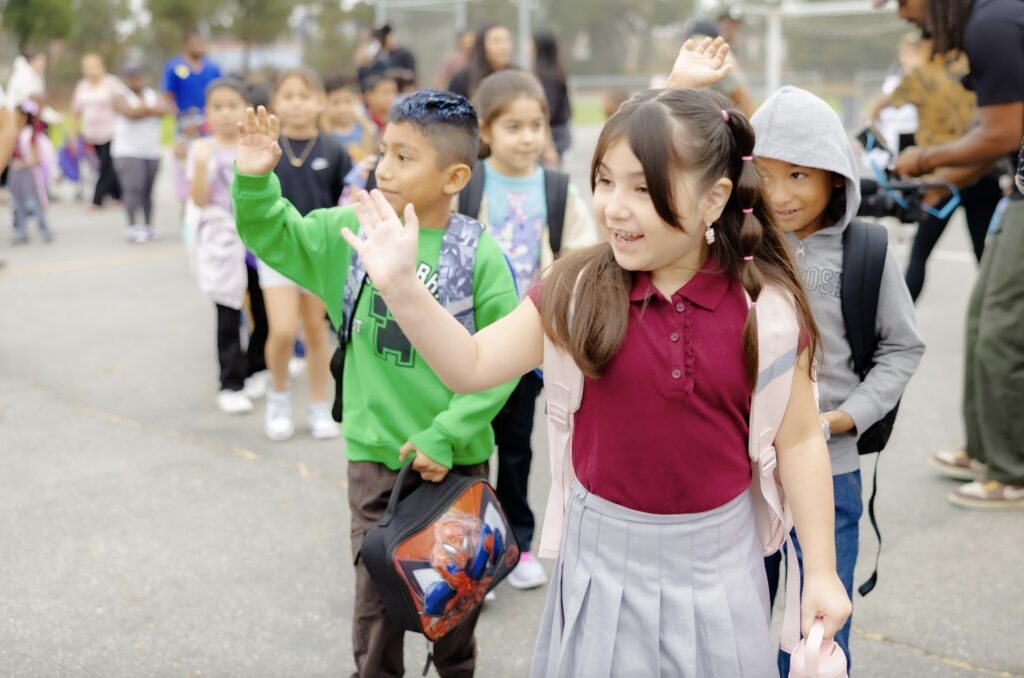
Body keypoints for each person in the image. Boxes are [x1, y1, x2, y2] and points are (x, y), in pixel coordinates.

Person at [339, 41, 851, 676]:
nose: (615, 206)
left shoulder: (764, 311)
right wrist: (402, 289)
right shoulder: (576, 289)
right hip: (598, 560)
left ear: (716, 200)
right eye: (606, 181)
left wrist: (822, 572)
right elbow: (469, 364)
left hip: (722, 562)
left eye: (643, 187)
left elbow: (800, 441)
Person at [232, 91, 520, 677]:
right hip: (376, 460)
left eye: (405, 157)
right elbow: (277, 236)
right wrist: (256, 182)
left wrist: (447, 435)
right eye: (384, 152)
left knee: (455, 603)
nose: (383, 168)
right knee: (377, 607)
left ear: (454, 176)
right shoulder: (351, 230)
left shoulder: (478, 254)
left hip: (456, 465)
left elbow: (503, 359)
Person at [753, 86, 925, 674]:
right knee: (742, 615)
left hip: (832, 469)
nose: (779, 195)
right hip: (742, 473)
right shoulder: (734, 249)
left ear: (836, 177)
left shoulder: (866, 250)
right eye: (764, 175)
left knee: (818, 627)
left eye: (799, 174)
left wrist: (845, 417)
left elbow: (903, 347)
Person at [463, 69, 597, 591]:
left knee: (516, 451)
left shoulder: (558, 190)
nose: (527, 137)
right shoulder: (466, 182)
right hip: (468, 342)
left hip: (528, 350)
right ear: (486, 131)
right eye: (513, 126)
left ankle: (515, 546)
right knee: (467, 453)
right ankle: (468, 556)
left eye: (536, 125)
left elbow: (585, 258)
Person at [892, 0, 1024, 508]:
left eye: (903, 2)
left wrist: (925, 156)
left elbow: (1001, 134)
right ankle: (984, 448)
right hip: (1016, 189)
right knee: (981, 321)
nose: (905, 15)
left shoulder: (993, 24)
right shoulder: (993, 22)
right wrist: (936, 178)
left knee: (1003, 332)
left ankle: (1012, 470)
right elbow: (995, 143)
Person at [867, 26, 1002, 301]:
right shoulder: (973, 70)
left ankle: (895, 328)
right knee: (985, 259)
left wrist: (878, 136)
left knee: (920, 254)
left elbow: (878, 109)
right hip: (981, 171)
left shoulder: (920, 76)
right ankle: (994, 318)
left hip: (940, 175)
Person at [256, 68, 351, 442]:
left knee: (316, 332)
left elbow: (347, 199)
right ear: (275, 102)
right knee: (281, 331)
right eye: (289, 95)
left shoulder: (334, 151)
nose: (297, 103)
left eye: (305, 95)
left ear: (320, 102)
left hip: (319, 255)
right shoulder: (269, 149)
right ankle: (278, 398)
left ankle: (317, 406)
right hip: (277, 254)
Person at [187, 78, 255, 414]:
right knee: (228, 311)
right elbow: (198, 198)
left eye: (233, 105)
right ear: (207, 112)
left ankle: (257, 368)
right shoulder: (203, 149)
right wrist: (201, 162)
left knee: (263, 306)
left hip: (257, 237)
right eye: (218, 106)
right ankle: (230, 382)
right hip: (222, 238)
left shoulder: (253, 144)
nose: (226, 113)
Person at [112, 65, 170, 243]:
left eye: (139, 76)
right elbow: (129, 112)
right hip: (128, 151)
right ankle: (132, 226)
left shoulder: (154, 94)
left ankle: (148, 225)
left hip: (151, 150)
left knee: (148, 190)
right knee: (133, 188)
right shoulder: (120, 95)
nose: (136, 80)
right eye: (132, 77)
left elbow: (163, 110)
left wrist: (142, 109)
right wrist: (147, 110)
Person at [164, 31, 223, 204]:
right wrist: (182, 122)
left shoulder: (213, 68)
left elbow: (220, 94)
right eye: (194, 42)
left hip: (210, 127)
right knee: (185, 170)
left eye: (201, 42)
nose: (199, 45)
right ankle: (188, 213)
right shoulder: (174, 67)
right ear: (185, 45)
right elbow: (169, 97)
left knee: (211, 167)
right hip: (186, 128)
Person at [71, 53, 123, 210]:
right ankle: (118, 195)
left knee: (107, 165)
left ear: (102, 66)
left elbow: (124, 102)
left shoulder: (111, 83)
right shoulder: (82, 86)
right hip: (91, 135)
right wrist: (73, 134)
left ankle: (97, 200)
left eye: (93, 66)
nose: (90, 70)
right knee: (102, 167)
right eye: (86, 67)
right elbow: (75, 111)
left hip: (111, 132)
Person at [679, 16, 755, 117]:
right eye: (730, 24)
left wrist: (752, 130)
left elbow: (743, 99)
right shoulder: (710, 58)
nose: (733, 30)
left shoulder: (719, 60)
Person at [9, 100, 53, 244]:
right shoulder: (18, 133)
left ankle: (45, 229)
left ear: (24, 117)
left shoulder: (30, 135)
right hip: (19, 174)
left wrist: (22, 163)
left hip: (29, 174)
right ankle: (22, 232)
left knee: (34, 202)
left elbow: (36, 158)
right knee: (19, 203)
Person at [532, 30, 573, 166]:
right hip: (559, 131)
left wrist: (548, 145)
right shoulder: (554, 69)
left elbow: (548, 110)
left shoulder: (546, 75)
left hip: (553, 134)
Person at [447, 23, 514, 101]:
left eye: (507, 40)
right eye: (496, 41)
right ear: (481, 45)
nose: (504, 47)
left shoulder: (518, 75)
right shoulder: (463, 79)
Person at [324, 74, 377, 162]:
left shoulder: (368, 129)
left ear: (358, 99)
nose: (342, 108)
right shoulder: (322, 133)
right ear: (325, 101)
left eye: (348, 101)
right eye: (335, 103)